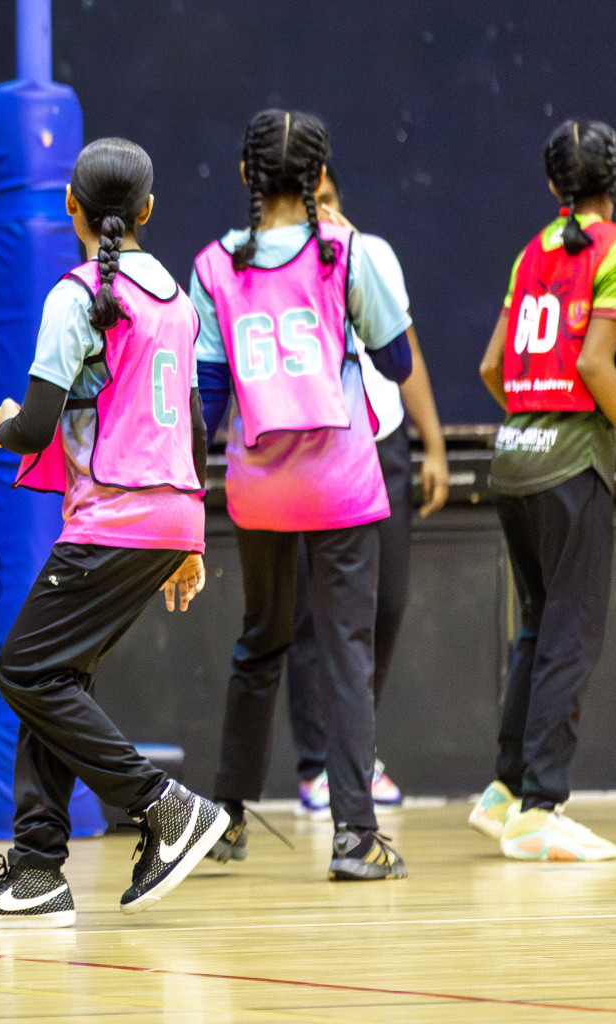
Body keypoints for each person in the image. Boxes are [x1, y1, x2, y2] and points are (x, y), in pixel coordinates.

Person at [0, 137, 226, 930]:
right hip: (168, 513)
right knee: (58, 678)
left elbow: (32, 427)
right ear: (147, 209)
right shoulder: (176, 297)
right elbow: (195, 426)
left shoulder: (75, 296)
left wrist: (2, 425)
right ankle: (36, 869)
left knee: (25, 672)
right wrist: (192, 537)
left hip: (114, 518)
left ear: (70, 206)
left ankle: (162, 805)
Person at [193, 109, 411, 881]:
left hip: (258, 488)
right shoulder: (347, 253)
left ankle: (226, 819)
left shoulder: (214, 264)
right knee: (347, 651)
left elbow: (208, 395)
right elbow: (394, 360)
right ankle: (355, 837)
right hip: (341, 482)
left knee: (259, 640)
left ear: (244, 175)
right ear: (319, 178)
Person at [469, 119, 616, 862]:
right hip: (573, 465)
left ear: (554, 183)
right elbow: (594, 365)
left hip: (515, 461)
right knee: (569, 637)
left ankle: (503, 791)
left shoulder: (532, 251)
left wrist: (533, 416)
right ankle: (539, 808)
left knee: (537, 629)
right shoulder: (611, 249)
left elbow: (492, 367)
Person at [285, 168, 452, 819]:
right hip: (313, 446)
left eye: (329, 202)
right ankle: (317, 766)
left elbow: (404, 349)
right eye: (312, 205)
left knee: (389, 600)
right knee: (313, 612)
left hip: (382, 442)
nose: (323, 214)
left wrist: (433, 444)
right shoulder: (275, 264)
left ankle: (353, 749)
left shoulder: (370, 253)